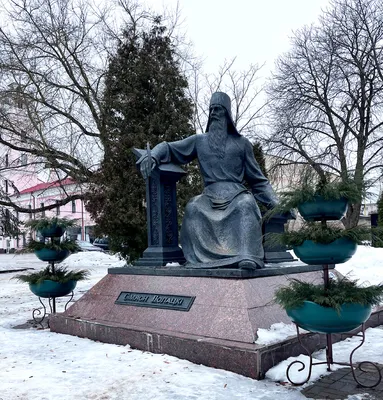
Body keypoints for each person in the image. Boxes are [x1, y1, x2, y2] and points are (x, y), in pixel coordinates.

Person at [139, 92, 277, 269]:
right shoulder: (199, 141)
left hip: (236, 194)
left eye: (218, 110)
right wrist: (154, 156)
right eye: (211, 110)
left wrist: (275, 202)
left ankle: (246, 256)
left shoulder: (242, 144)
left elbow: (258, 180)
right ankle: (198, 259)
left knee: (246, 205)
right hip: (210, 195)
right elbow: (170, 148)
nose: (213, 113)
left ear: (227, 114)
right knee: (193, 206)